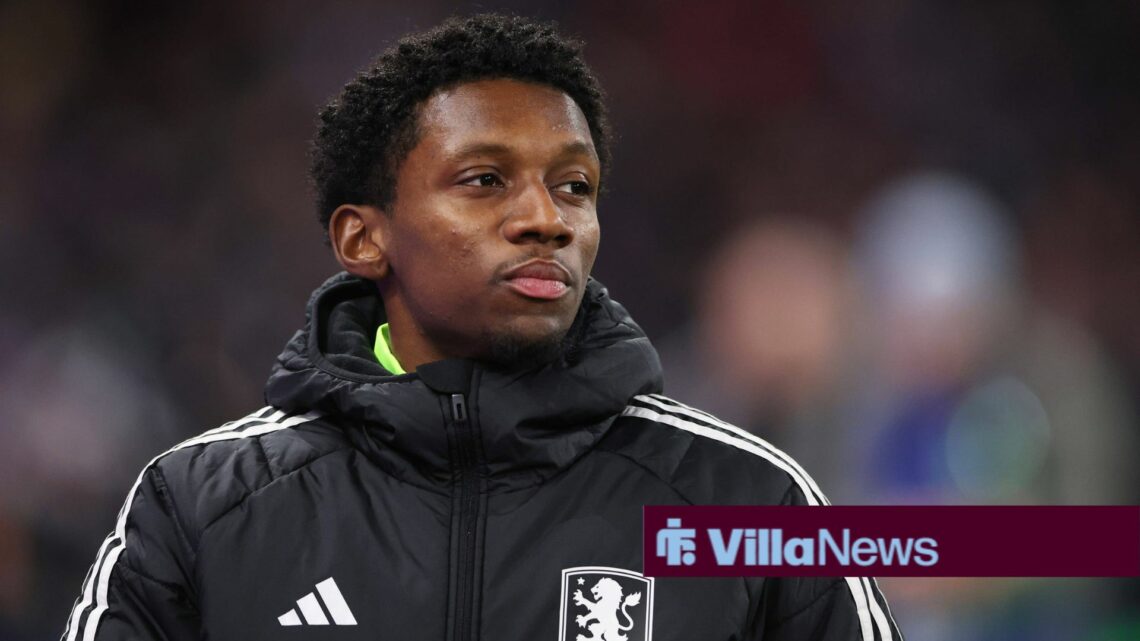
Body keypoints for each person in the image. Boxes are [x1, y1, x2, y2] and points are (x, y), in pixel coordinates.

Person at [62, 14, 901, 641]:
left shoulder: (746, 500)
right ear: (364, 237)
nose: (546, 218)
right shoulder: (204, 505)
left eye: (575, 186)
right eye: (485, 179)